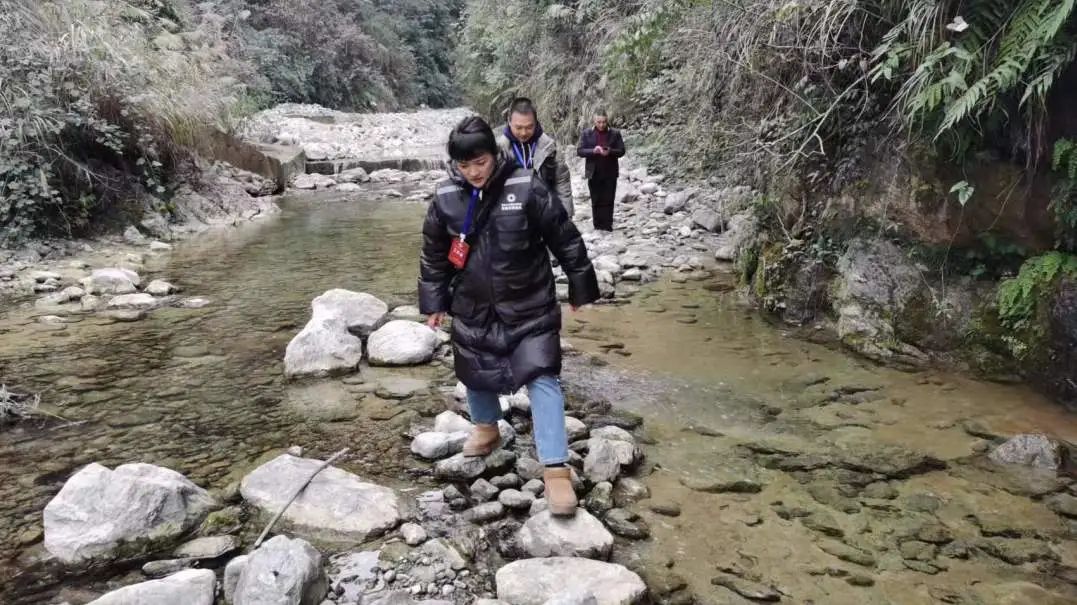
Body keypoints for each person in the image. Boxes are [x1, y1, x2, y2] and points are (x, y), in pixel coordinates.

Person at [419, 116, 600, 517]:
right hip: (473, 304)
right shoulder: (446, 196)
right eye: (464, 165)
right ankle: (486, 428)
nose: (473, 172)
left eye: (480, 162)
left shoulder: (525, 185)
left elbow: (563, 235)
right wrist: (434, 302)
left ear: (493, 154)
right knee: (474, 368)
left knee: (542, 375)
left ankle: (555, 470)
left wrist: (581, 285)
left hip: (530, 301)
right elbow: (433, 255)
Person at [496, 97, 574, 219]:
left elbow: (562, 182)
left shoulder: (549, 147)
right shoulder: (499, 150)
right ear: (509, 122)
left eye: (529, 127)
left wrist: (566, 216)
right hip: (511, 214)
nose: (523, 132)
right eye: (518, 128)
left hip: (544, 212)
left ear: (536, 122)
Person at [576, 110, 626, 231]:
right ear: (594, 121)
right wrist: (593, 151)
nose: (602, 124)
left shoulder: (615, 133)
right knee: (596, 199)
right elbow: (580, 151)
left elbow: (622, 151)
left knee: (609, 199)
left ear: (607, 120)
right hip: (594, 172)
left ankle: (607, 226)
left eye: (604, 122)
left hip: (610, 172)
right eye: (599, 122)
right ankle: (597, 226)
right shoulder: (587, 133)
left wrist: (610, 151)